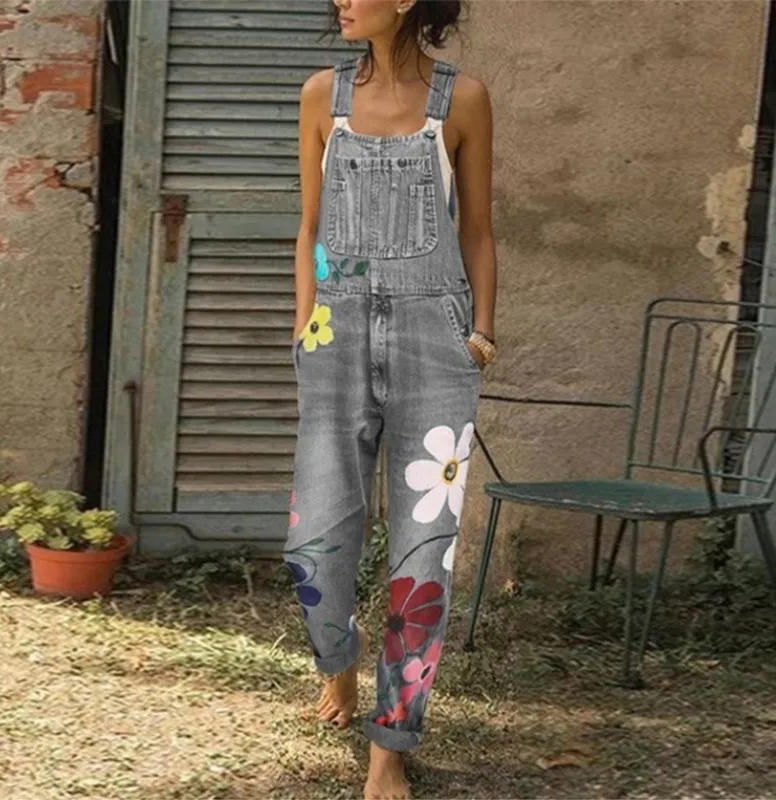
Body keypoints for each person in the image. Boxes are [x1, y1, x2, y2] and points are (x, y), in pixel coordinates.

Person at [284, 0, 497, 796]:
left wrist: (481, 332)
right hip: (334, 337)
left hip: (433, 342)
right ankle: (337, 660)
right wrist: (306, 324)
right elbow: (310, 227)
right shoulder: (322, 96)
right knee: (314, 540)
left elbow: (478, 229)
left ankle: (391, 745)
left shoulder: (462, 99)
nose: (340, 0)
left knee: (423, 554)